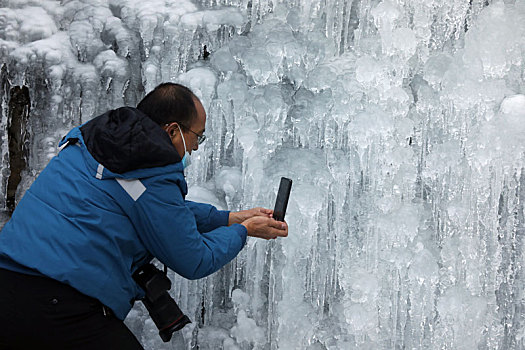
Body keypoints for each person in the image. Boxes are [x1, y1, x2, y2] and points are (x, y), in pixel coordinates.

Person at [0, 83, 288, 349]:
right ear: (173, 131)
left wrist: (228, 219)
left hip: (10, 284)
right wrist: (244, 231)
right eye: (198, 135)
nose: (198, 146)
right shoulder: (151, 167)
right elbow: (194, 259)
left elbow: (154, 210)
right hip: (59, 302)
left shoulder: (102, 142)